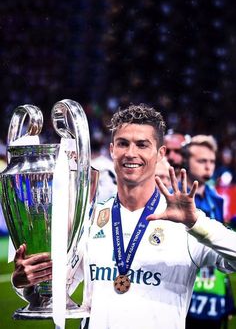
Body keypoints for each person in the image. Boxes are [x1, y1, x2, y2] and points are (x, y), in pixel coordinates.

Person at [12, 104, 236, 329]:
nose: (131, 153)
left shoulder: (185, 224)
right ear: (112, 150)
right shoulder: (89, 220)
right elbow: (53, 296)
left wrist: (195, 222)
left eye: (142, 145)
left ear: (160, 154)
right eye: (123, 143)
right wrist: (26, 284)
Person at [184, 136, 235, 329]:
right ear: (186, 162)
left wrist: (227, 296)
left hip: (213, 290)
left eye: (212, 161)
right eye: (201, 161)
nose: (208, 166)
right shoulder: (178, 198)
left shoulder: (216, 199)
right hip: (187, 289)